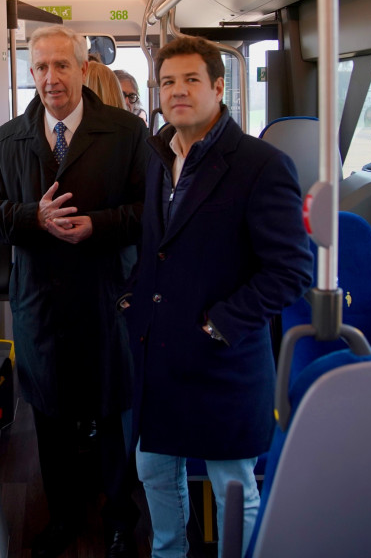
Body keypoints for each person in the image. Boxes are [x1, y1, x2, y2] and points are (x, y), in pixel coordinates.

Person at [124, 36, 311, 558]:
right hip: (158, 353)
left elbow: (291, 269)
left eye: (190, 80)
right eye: (167, 82)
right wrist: (130, 300)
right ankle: (169, 554)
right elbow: (156, 246)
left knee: (234, 488)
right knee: (155, 472)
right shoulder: (159, 156)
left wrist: (218, 324)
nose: (177, 91)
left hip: (222, 358)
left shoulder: (260, 165)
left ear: (218, 87)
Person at [0, 24, 147, 558]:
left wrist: (97, 225)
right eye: (40, 68)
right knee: (49, 418)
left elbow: (149, 215)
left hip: (106, 297)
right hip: (40, 304)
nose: (51, 79)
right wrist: (33, 217)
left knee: (115, 413)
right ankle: (64, 514)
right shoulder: (9, 139)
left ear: (83, 67)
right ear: (31, 73)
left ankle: (120, 519)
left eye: (62, 66)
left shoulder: (124, 132)